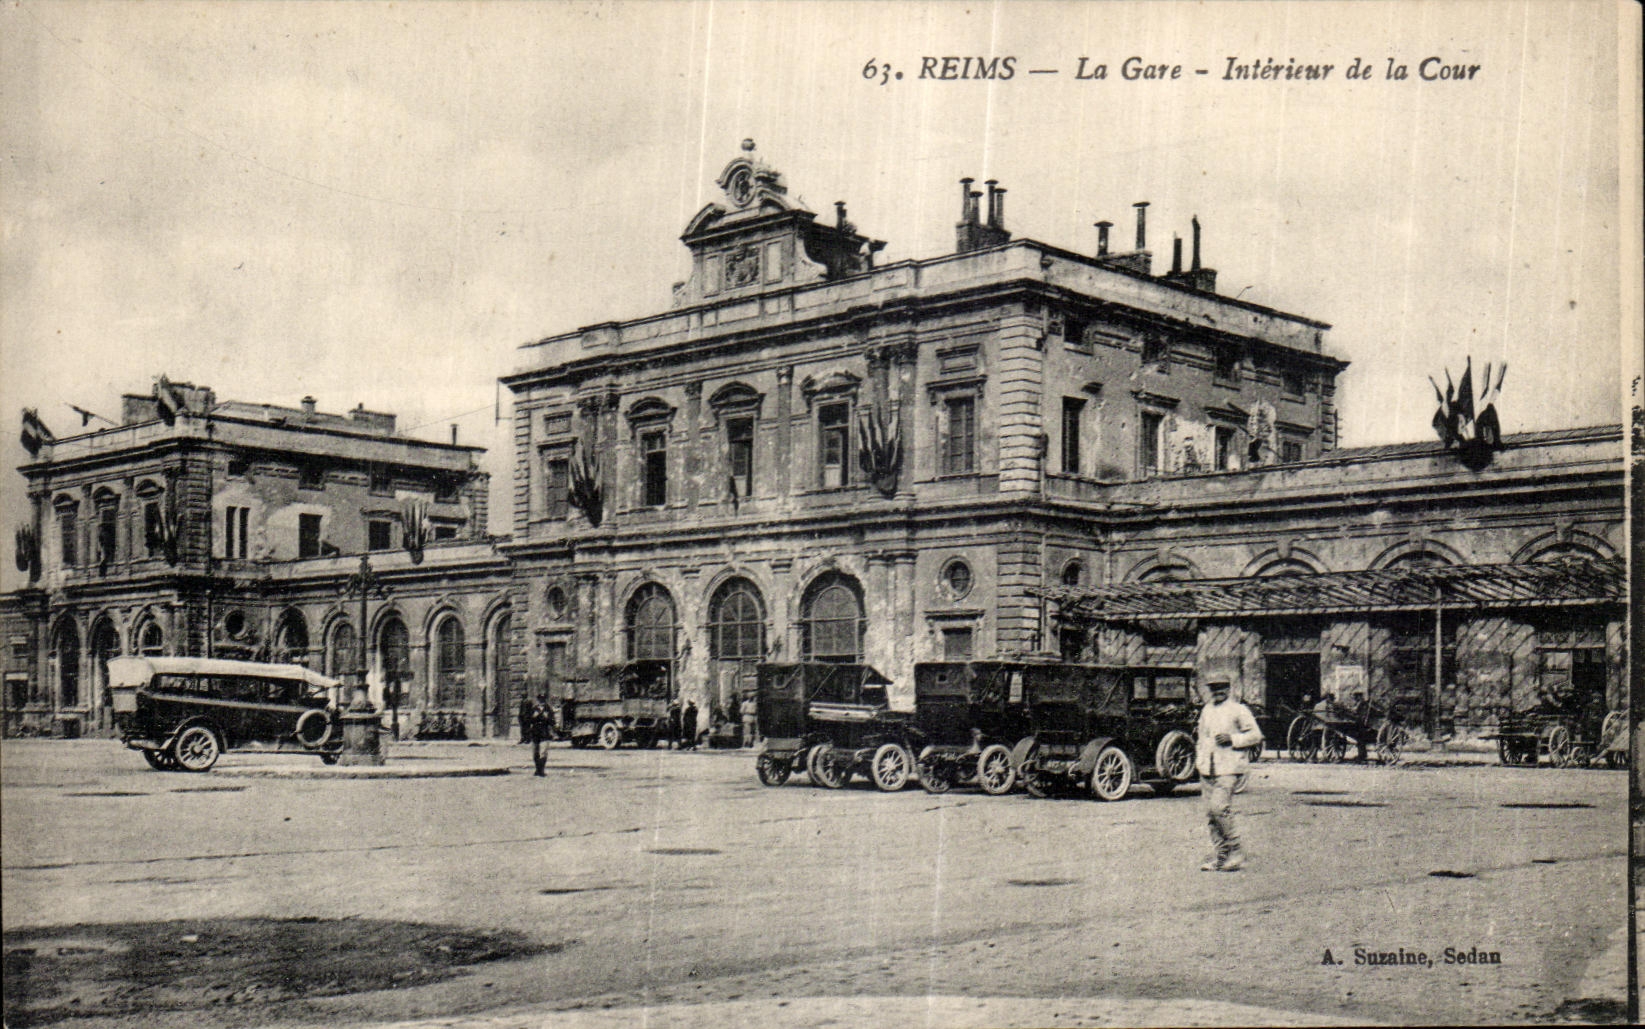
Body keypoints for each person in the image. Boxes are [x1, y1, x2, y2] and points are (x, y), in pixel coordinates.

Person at [1196, 680, 1263, 872]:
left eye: (1221, 688)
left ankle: (1237, 851)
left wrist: (1233, 739)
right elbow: (1201, 737)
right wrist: (1199, 760)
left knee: (1219, 808)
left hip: (1229, 766)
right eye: (1213, 689)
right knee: (1211, 814)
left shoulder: (1238, 710)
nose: (1217, 692)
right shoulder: (1206, 710)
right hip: (1207, 767)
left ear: (1228, 689)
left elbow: (1256, 735)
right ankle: (1221, 856)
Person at [526, 689, 554, 776]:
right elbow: (528, 720)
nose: (541, 701)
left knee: (544, 752)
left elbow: (552, 721)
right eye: (540, 699)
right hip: (535, 733)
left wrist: (547, 718)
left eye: (543, 699)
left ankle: (541, 770)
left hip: (545, 733)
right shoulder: (534, 709)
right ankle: (537, 769)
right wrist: (533, 717)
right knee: (535, 752)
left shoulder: (548, 709)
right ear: (538, 700)